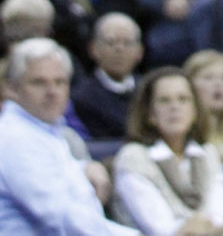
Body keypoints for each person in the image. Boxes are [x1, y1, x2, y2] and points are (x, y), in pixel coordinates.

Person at [0, 39, 140, 236]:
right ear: (12, 89)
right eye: (39, 82)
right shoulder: (15, 137)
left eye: (60, 82)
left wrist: (83, 167)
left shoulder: (48, 132)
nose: (52, 92)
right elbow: (62, 216)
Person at [111, 67, 223, 236]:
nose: (175, 107)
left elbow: (219, 218)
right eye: (164, 101)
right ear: (150, 113)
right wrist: (199, 226)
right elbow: (160, 228)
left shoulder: (207, 154)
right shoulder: (134, 158)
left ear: (195, 110)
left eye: (183, 99)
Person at [69, 13, 144, 141]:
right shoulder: (81, 96)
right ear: (93, 48)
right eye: (111, 42)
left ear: (140, 51)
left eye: (127, 43)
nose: (119, 49)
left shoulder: (148, 90)